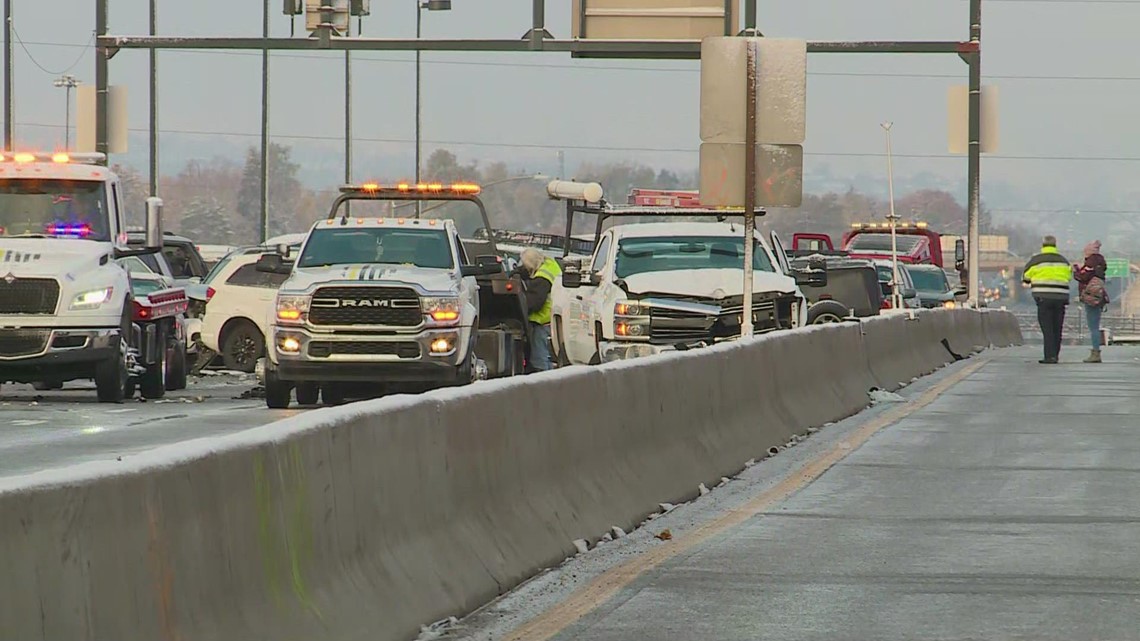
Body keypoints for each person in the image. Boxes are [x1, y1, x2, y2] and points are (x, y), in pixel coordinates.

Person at [1022, 235, 1071, 364]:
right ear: (1055, 245)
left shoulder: (1036, 260)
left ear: (1043, 245)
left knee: (1047, 328)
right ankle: (1055, 354)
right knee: (1057, 327)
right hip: (1061, 297)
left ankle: (1049, 356)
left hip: (1043, 298)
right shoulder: (1063, 261)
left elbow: (1026, 277)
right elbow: (1069, 276)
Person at [516, 248, 562, 372]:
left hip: (543, 320)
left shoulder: (542, 278)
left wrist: (519, 309)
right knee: (546, 357)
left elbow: (534, 302)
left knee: (539, 359)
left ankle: (544, 383)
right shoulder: (549, 265)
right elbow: (528, 272)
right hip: (552, 318)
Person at [1073, 239, 1109, 363]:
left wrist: (1076, 269)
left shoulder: (1091, 261)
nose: (1084, 251)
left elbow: (1082, 276)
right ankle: (1095, 351)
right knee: (1095, 323)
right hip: (1098, 296)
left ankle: (1095, 352)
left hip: (1091, 297)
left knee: (1093, 326)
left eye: (1086, 248)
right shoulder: (1100, 262)